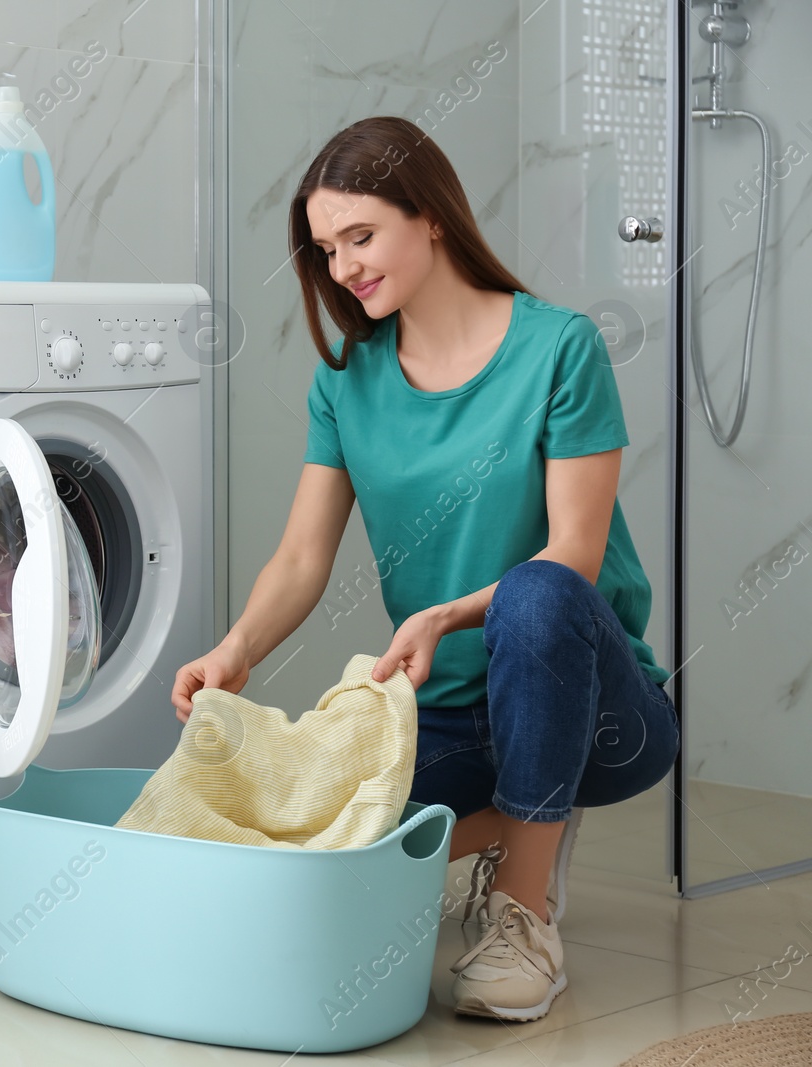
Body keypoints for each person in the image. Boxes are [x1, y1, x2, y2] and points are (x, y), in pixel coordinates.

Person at [171, 116, 679, 1023]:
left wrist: (445, 614)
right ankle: (526, 820)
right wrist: (236, 648)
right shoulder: (346, 381)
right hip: (445, 713)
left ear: (432, 217)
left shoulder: (559, 346)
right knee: (325, 832)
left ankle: (526, 912)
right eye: (328, 249)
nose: (343, 268)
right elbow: (301, 555)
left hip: (603, 710)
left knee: (535, 591)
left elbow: (575, 555)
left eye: (361, 237)